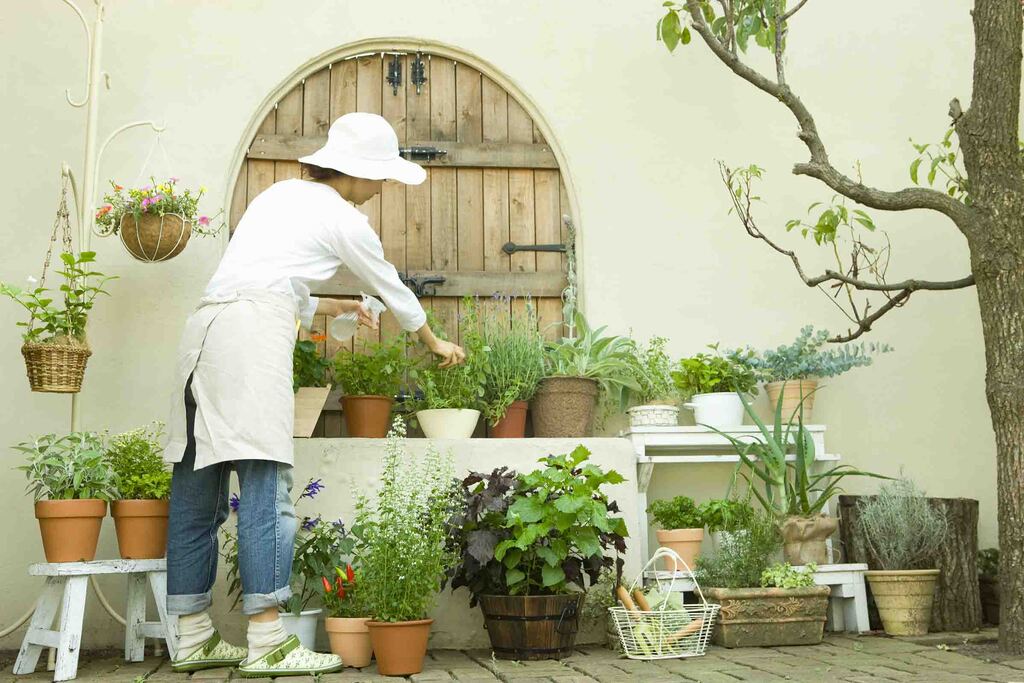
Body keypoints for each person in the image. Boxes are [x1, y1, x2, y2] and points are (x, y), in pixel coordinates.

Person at [163, 112, 465, 677]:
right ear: (357, 171)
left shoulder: (278, 195)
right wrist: (432, 339)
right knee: (264, 486)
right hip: (251, 341)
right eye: (380, 176)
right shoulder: (345, 218)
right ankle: (268, 639)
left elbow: (273, 280)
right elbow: (391, 285)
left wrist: (334, 307)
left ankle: (192, 634)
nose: (381, 187)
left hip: (203, 333)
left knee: (196, 490)